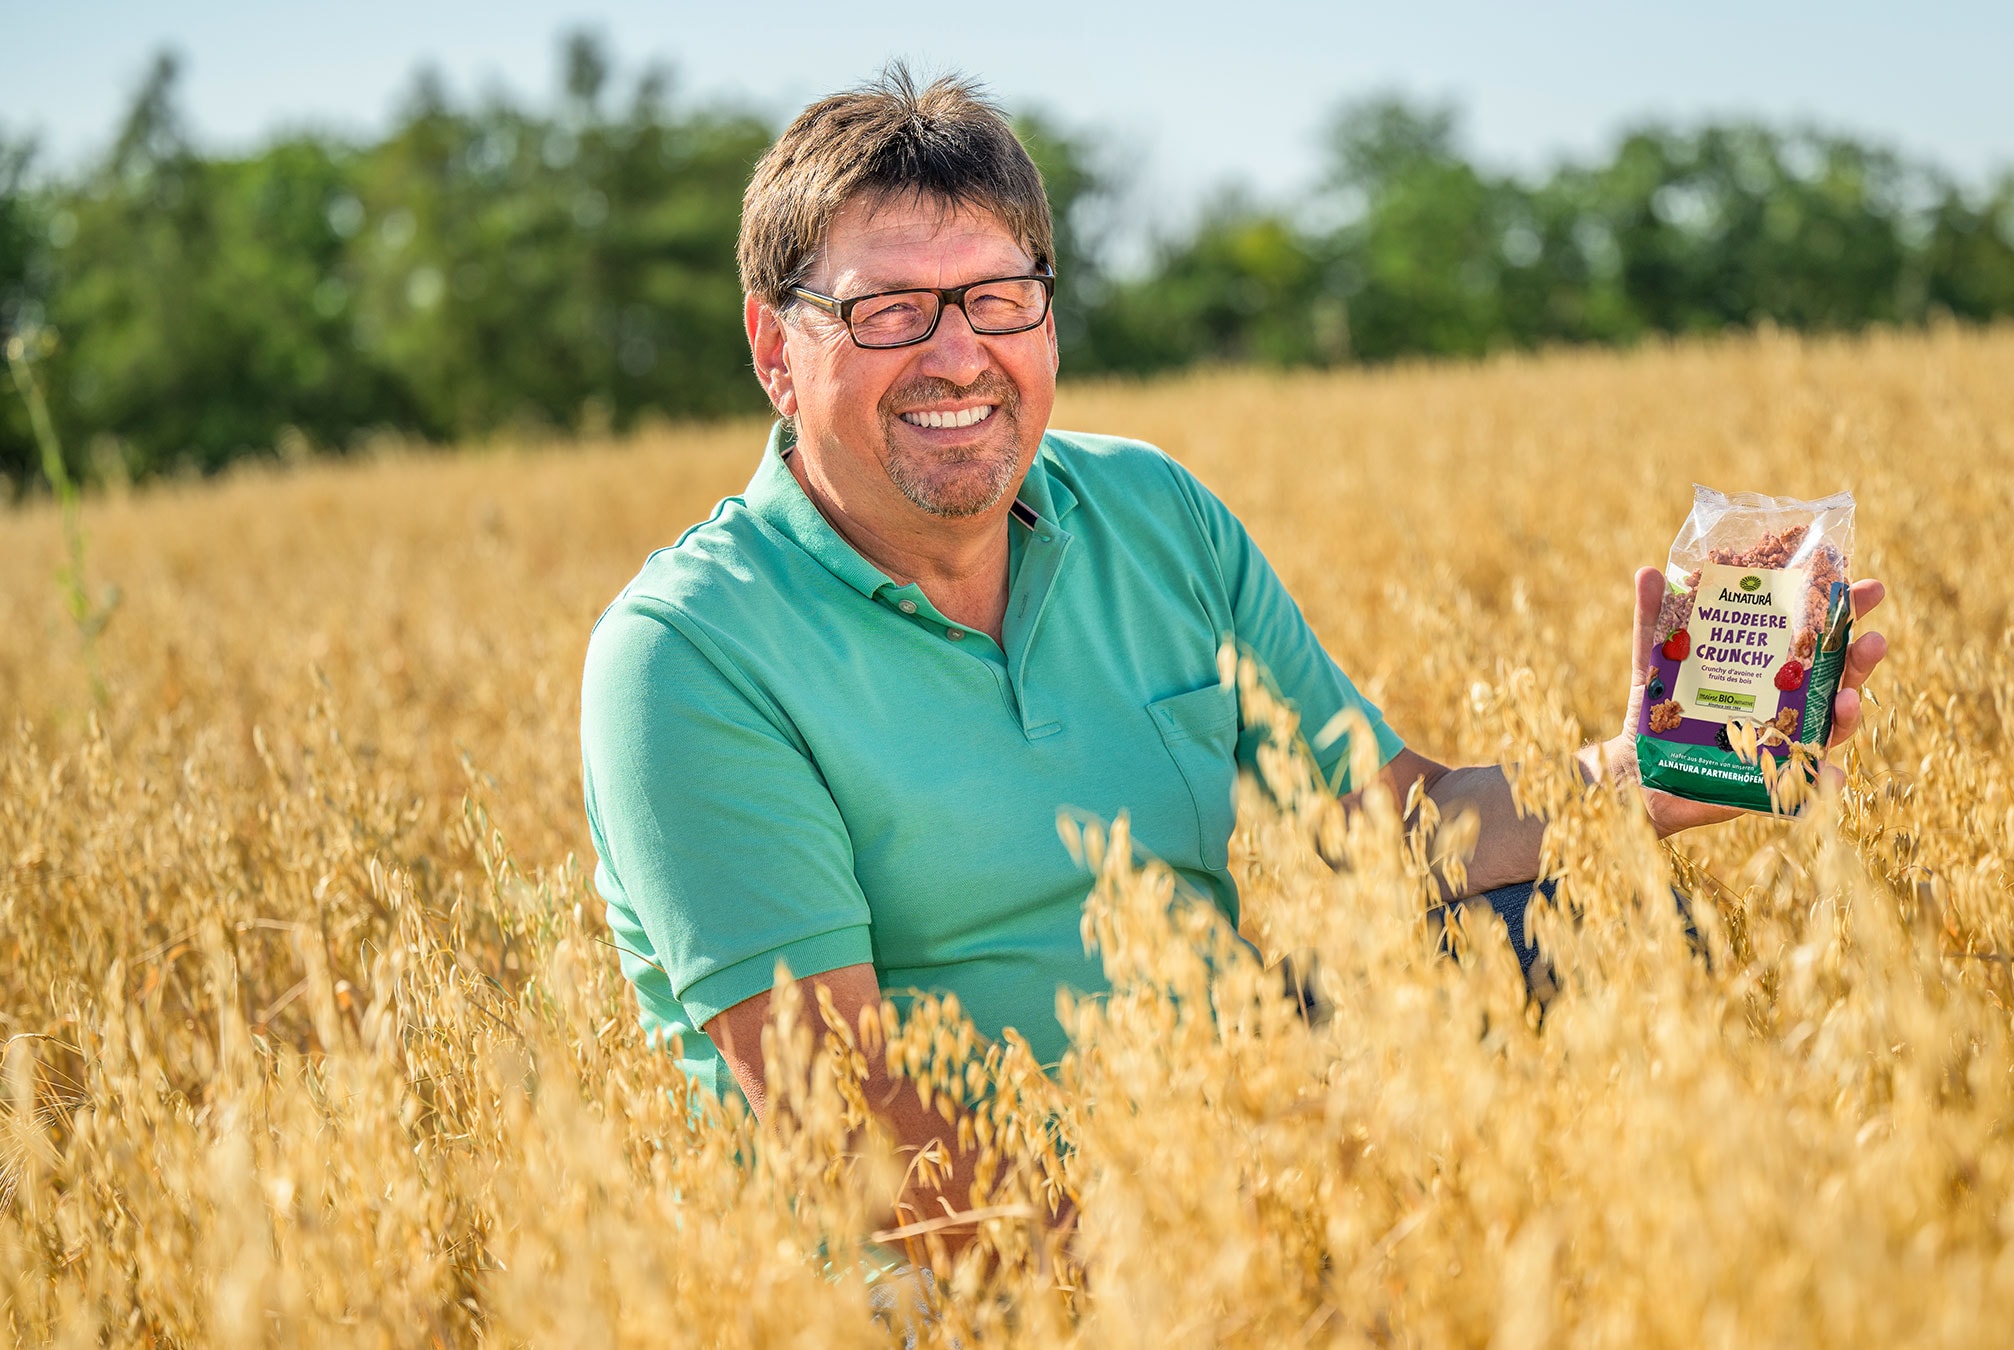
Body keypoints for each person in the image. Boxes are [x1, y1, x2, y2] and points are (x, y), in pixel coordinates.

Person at [578, 68, 1888, 1237]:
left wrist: (1644, 773)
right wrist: (1234, 1268)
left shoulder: (1150, 514)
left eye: (997, 297)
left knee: (1583, 928)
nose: (959, 354)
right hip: (970, 1268)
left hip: (1228, 1139)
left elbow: (1401, 823)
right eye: (890, 314)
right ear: (774, 348)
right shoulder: (685, 655)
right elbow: (855, 1130)